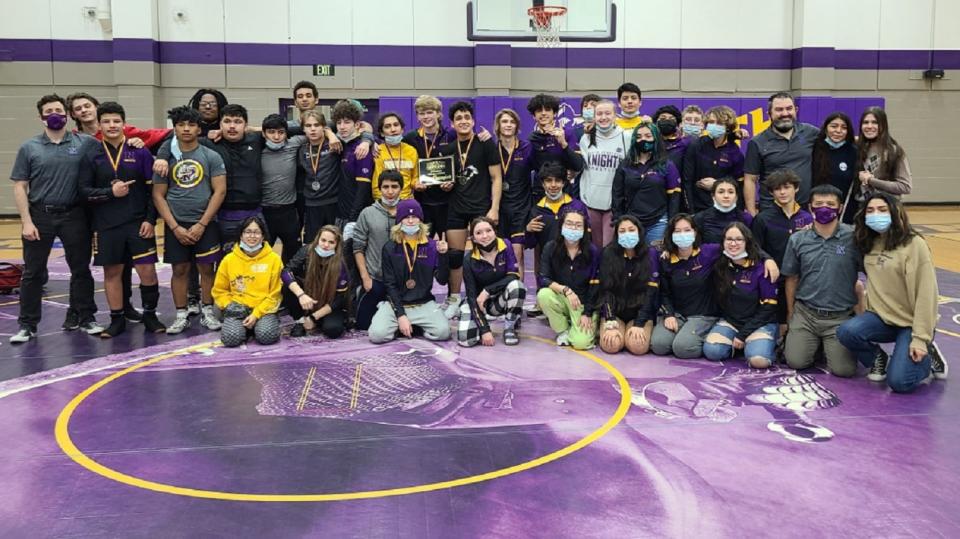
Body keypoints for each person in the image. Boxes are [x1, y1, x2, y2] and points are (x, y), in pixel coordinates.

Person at [8, 94, 102, 343]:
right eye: (49, 111)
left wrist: (135, 141)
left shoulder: (86, 143)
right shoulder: (30, 147)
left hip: (74, 215)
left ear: (67, 114)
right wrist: (26, 221)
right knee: (33, 273)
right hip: (40, 215)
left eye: (59, 110)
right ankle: (27, 325)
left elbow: (115, 143)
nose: (55, 114)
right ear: (41, 117)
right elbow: (20, 186)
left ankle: (87, 318)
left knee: (81, 269)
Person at [837, 192, 945, 392]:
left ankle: (928, 354)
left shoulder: (914, 245)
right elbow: (836, 232)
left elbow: (926, 294)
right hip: (881, 318)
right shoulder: (866, 242)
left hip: (910, 323)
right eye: (870, 211)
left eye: (882, 209)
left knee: (899, 382)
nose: (875, 214)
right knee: (846, 332)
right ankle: (879, 357)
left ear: (895, 213)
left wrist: (920, 338)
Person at [77, 101, 165, 338]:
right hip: (106, 225)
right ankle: (117, 319)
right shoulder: (91, 154)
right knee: (112, 273)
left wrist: (150, 219)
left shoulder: (139, 151)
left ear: (124, 124)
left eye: (116, 121)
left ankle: (150, 314)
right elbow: (83, 191)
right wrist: (109, 192)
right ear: (100, 125)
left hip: (138, 223)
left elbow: (152, 190)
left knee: (147, 270)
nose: (112, 125)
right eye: (107, 121)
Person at [152, 106, 227, 334]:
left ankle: (207, 311)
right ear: (174, 127)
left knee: (207, 269)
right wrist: (174, 227)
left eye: (191, 124)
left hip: (205, 224)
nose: (186, 129)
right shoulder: (166, 160)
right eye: (181, 124)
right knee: (179, 270)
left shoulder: (211, 156)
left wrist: (202, 223)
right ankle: (181, 314)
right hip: (177, 225)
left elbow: (220, 191)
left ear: (199, 128)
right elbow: (158, 194)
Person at [781, 185, 860, 377]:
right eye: (819, 204)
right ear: (810, 208)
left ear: (840, 208)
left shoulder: (854, 237)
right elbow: (791, 278)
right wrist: (791, 314)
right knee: (795, 361)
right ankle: (813, 344)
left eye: (831, 204)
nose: (825, 208)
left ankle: (829, 345)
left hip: (839, 316)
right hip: (806, 314)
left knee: (844, 370)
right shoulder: (798, 239)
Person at [437, 101, 502, 319]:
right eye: (458, 119)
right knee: (455, 257)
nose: (463, 121)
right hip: (456, 208)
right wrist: (445, 186)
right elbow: (445, 182)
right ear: (452, 124)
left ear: (473, 121)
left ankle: (489, 298)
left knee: (485, 254)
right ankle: (454, 298)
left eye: (467, 118)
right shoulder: (447, 149)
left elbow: (496, 178)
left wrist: (494, 208)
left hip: (481, 209)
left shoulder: (486, 145)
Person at [368, 199, 451, 343]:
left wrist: (443, 256)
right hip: (396, 303)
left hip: (423, 303)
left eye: (415, 217)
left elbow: (442, 280)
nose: (411, 221)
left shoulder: (432, 246)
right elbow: (389, 284)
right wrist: (400, 315)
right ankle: (400, 321)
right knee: (377, 335)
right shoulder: (390, 247)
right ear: (399, 221)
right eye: (406, 217)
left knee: (443, 333)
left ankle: (415, 327)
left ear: (421, 220)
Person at [702, 222, 779, 369]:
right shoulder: (720, 264)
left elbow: (769, 308)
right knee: (712, 352)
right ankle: (744, 346)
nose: (733, 243)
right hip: (732, 322)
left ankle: (761, 345)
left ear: (747, 242)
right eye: (729, 239)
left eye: (739, 239)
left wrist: (743, 334)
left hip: (760, 323)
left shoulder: (762, 268)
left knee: (759, 361)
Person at [649, 215, 720, 358]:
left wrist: (767, 259)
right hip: (678, 314)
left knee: (683, 348)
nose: (683, 235)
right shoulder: (666, 259)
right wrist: (669, 314)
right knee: (658, 345)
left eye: (687, 230)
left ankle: (711, 334)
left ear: (695, 232)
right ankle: (684, 331)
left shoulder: (709, 252)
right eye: (677, 231)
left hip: (703, 315)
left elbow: (737, 246)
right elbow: (664, 292)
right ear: (671, 235)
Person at [212, 216, 283, 347]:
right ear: (241, 235)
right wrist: (229, 305)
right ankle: (245, 328)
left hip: (263, 309)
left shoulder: (274, 259)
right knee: (230, 339)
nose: (252, 236)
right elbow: (219, 290)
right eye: (248, 232)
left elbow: (275, 294)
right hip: (237, 308)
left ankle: (257, 326)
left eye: (256, 232)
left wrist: (256, 314)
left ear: (263, 236)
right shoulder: (229, 259)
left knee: (267, 336)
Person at [743, 92, 819, 215]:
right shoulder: (757, 142)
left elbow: (838, 139)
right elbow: (750, 180)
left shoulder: (811, 133)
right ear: (769, 114)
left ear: (796, 110)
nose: (785, 113)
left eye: (789, 108)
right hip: (771, 211)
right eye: (779, 110)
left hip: (804, 210)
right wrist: (752, 214)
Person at [457, 217, 525, 347]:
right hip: (479, 303)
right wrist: (484, 329)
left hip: (499, 299)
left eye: (488, 230)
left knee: (517, 287)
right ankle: (465, 313)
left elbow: (514, 275)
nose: (485, 236)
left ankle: (510, 326)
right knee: (466, 340)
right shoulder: (468, 259)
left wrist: (487, 291)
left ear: (495, 231)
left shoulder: (506, 245)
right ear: (473, 238)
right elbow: (472, 296)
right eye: (479, 233)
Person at [537, 209, 600, 349]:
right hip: (563, 297)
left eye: (578, 225)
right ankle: (563, 330)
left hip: (584, 303)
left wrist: (587, 313)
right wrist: (565, 290)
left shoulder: (592, 251)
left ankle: (582, 325)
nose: (573, 228)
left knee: (580, 344)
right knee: (544, 295)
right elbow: (544, 279)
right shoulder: (550, 248)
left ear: (584, 229)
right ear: (561, 226)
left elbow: (596, 285)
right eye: (569, 224)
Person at [596, 215, 659, 355]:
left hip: (639, 313)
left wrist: (639, 323)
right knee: (611, 346)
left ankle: (630, 332)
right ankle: (611, 330)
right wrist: (610, 320)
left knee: (638, 347)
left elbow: (651, 292)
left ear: (639, 231)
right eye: (622, 231)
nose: (627, 234)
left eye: (631, 230)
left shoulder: (651, 254)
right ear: (617, 235)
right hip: (616, 311)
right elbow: (606, 291)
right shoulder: (608, 253)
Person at [612, 121, 681, 244]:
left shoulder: (667, 165)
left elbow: (674, 198)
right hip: (631, 223)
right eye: (638, 137)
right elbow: (617, 195)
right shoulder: (624, 165)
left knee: (655, 258)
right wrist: (619, 220)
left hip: (658, 222)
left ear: (656, 138)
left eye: (648, 136)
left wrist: (672, 225)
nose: (643, 140)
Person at [353, 170, 403, 330]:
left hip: (401, 282)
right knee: (363, 325)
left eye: (394, 187)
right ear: (379, 188)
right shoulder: (367, 213)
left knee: (409, 327)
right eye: (385, 187)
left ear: (401, 188)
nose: (390, 191)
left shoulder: (409, 212)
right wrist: (366, 278)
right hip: (375, 279)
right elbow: (358, 248)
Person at [403, 95, 457, 241]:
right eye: (422, 113)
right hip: (422, 202)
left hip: (448, 201)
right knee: (423, 246)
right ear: (417, 116)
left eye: (429, 112)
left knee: (451, 250)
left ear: (438, 114)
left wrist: (453, 182)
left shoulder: (452, 135)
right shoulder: (410, 138)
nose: (426, 117)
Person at [282, 224, 350, 338]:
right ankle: (300, 320)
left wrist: (314, 317)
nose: (326, 245)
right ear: (317, 239)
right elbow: (285, 272)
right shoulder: (307, 251)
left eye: (331, 242)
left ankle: (314, 319)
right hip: (307, 298)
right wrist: (301, 295)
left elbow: (339, 298)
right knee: (288, 287)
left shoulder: (340, 263)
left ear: (337, 245)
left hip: (328, 303)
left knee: (333, 330)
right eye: (323, 240)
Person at [578, 99, 627, 248]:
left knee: (609, 248)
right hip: (591, 202)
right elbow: (582, 168)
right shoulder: (586, 139)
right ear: (594, 117)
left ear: (615, 116)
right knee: (596, 247)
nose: (603, 117)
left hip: (614, 205)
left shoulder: (626, 137)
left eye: (607, 113)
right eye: (599, 114)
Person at [493, 108, 534, 281]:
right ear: (498, 126)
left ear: (517, 126)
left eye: (512, 122)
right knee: (501, 253)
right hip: (499, 208)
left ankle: (519, 293)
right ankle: (501, 293)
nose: (508, 125)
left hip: (521, 207)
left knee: (517, 254)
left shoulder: (527, 148)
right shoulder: (492, 149)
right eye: (504, 121)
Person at [259, 113, 305, 262]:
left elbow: (317, 130)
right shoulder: (257, 149)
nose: (276, 137)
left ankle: (289, 285)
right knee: (262, 255)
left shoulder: (294, 143)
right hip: (265, 212)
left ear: (287, 133)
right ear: (264, 133)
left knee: (293, 255)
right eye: (271, 132)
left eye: (281, 132)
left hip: (289, 212)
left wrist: (331, 135)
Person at [682, 105, 745, 213]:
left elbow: (739, 183)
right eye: (711, 122)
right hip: (698, 209)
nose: (714, 126)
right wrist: (690, 212)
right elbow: (687, 181)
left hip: (724, 209)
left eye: (719, 123)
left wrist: (717, 184)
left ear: (728, 127)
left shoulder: (734, 151)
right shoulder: (696, 145)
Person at [67, 92, 171, 150]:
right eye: (78, 109)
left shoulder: (122, 131)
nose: (84, 110)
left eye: (87, 106)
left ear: (96, 107)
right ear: (72, 114)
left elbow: (168, 134)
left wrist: (162, 157)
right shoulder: (73, 139)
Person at [331, 100, 375, 234]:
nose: (342, 127)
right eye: (339, 123)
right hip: (339, 213)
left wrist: (353, 218)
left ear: (357, 124)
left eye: (347, 122)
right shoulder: (340, 144)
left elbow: (363, 189)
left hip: (355, 215)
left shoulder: (362, 148)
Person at [297, 109, 341, 243]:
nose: (313, 129)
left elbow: (363, 133)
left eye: (316, 125)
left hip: (333, 202)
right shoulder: (302, 149)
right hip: (311, 204)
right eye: (308, 126)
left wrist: (332, 135)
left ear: (323, 127)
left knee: (335, 243)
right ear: (303, 129)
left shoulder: (334, 144)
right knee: (312, 244)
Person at [811, 112, 858, 223]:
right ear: (826, 128)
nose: (838, 131)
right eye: (834, 126)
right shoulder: (814, 148)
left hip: (845, 212)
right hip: (817, 209)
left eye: (843, 127)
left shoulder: (854, 151)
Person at [857, 106, 912, 200]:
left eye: (875, 122)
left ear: (883, 125)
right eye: (866, 122)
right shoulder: (858, 147)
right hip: (862, 206)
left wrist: (871, 180)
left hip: (886, 207)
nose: (869, 126)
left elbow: (905, 187)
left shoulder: (894, 151)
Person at [372, 112, 418, 202]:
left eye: (396, 125)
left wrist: (417, 184)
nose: (393, 129)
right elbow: (376, 185)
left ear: (402, 130)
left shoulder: (411, 150)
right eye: (387, 126)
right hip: (385, 203)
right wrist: (383, 204)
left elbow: (414, 178)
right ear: (382, 133)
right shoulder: (377, 151)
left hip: (407, 202)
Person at [693, 178, 753, 244]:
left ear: (736, 197)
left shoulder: (747, 218)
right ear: (713, 196)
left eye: (731, 192)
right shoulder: (700, 218)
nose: (726, 196)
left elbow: (752, 246)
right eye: (721, 192)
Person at [654, 104, 690, 181]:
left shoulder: (685, 144)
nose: (667, 121)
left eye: (671, 119)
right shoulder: (651, 143)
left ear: (677, 124)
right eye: (663, 118)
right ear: (656, 122)